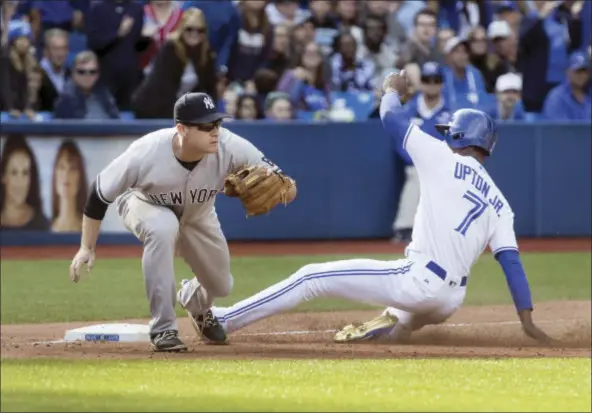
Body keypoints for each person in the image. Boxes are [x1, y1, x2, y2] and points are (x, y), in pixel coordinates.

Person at [210, 70, 556, 348]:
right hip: (450, 300)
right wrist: (527, 322)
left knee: (311, 276)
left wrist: (390, 87)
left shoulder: (443, 157)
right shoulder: (501, 204)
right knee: (395, 321)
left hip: (420, 281)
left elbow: (391, 118)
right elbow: (511, 264)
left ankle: (225, 319)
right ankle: (389, 327)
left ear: (460, 137)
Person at [68, 92, 297, 352]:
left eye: (218, 124)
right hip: (144, 203)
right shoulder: (147, 151)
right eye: (206, 126)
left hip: (199, 214)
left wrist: (282, 189)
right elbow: (99, 194)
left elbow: (286, 185)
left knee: (221, 285)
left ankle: (196, 303)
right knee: (163, 228)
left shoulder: (232, 147)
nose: (216, 132)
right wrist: (87, 247)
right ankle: (163, 328)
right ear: (182, 129)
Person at [392, 62, 451, 243]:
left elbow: (454, 143)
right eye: (427, 80)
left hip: (442, 165)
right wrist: (418, 160)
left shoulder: (450, 112)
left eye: (436, 80)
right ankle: (404, 227)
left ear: (441, 83)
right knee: (416, 176)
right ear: (421, 82)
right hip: (415, 164)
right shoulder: (409, 109)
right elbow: (399, 141)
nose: (431, 84)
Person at [131, 7, 217, 119]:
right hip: (152, 107)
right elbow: (164, 89)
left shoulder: (206, 53)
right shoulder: (171, 48)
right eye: (189, 29)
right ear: (182, 29)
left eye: (199, 30)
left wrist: (211, 115)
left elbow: (209, 89)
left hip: (179, 110)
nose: (194, 34)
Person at [0, 135, 49, 231]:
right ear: (3, 177)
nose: (20, 183)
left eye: (25, 173)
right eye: (14, 172)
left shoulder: (42, 224)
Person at [53, 51, 119, 120]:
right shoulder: (66, 99)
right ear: (73, 74)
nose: (87, 76)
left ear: (98, 75)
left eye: (92, 72)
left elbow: (116, 121)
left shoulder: (104, 95)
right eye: (81, 72)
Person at [51, 140, 88, 233]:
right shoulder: (42, 228)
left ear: (80, 178)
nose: (66, 174)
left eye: (73, 168)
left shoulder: (91, 231)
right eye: (61, 167)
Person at [542, 51, 591, 121]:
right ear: (568, 72)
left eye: (584, 72)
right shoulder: (557, 97)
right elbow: (558, 129)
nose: (582, 75)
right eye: (578, 72)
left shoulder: (589, 94)